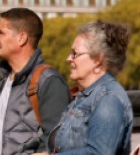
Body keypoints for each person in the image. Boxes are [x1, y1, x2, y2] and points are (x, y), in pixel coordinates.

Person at [0, 8, 70, 155]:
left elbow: (58, 142)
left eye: (1, 33)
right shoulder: (2, 84)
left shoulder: (49, 82)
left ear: (21, 38)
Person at [36, 20, 133, 155]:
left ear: (98, 60)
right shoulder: (87, 96)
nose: (68, 59)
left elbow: (99, 152)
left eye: (75, 53)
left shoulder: (108, 99)